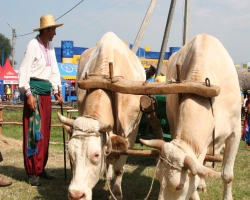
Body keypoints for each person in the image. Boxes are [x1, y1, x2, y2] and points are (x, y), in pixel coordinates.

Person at [18, 14, 63, 186]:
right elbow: (24, 71)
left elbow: (55, 72)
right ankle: (32, 171)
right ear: (46, 30)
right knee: (33, 133)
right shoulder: (32, 45)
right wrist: (28, 94)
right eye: (53, 30)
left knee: (45, 132)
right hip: (34, 94)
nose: (55, 33)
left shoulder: (50, 47)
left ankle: (40, 167)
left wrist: (57, 91)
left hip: (46, 95)